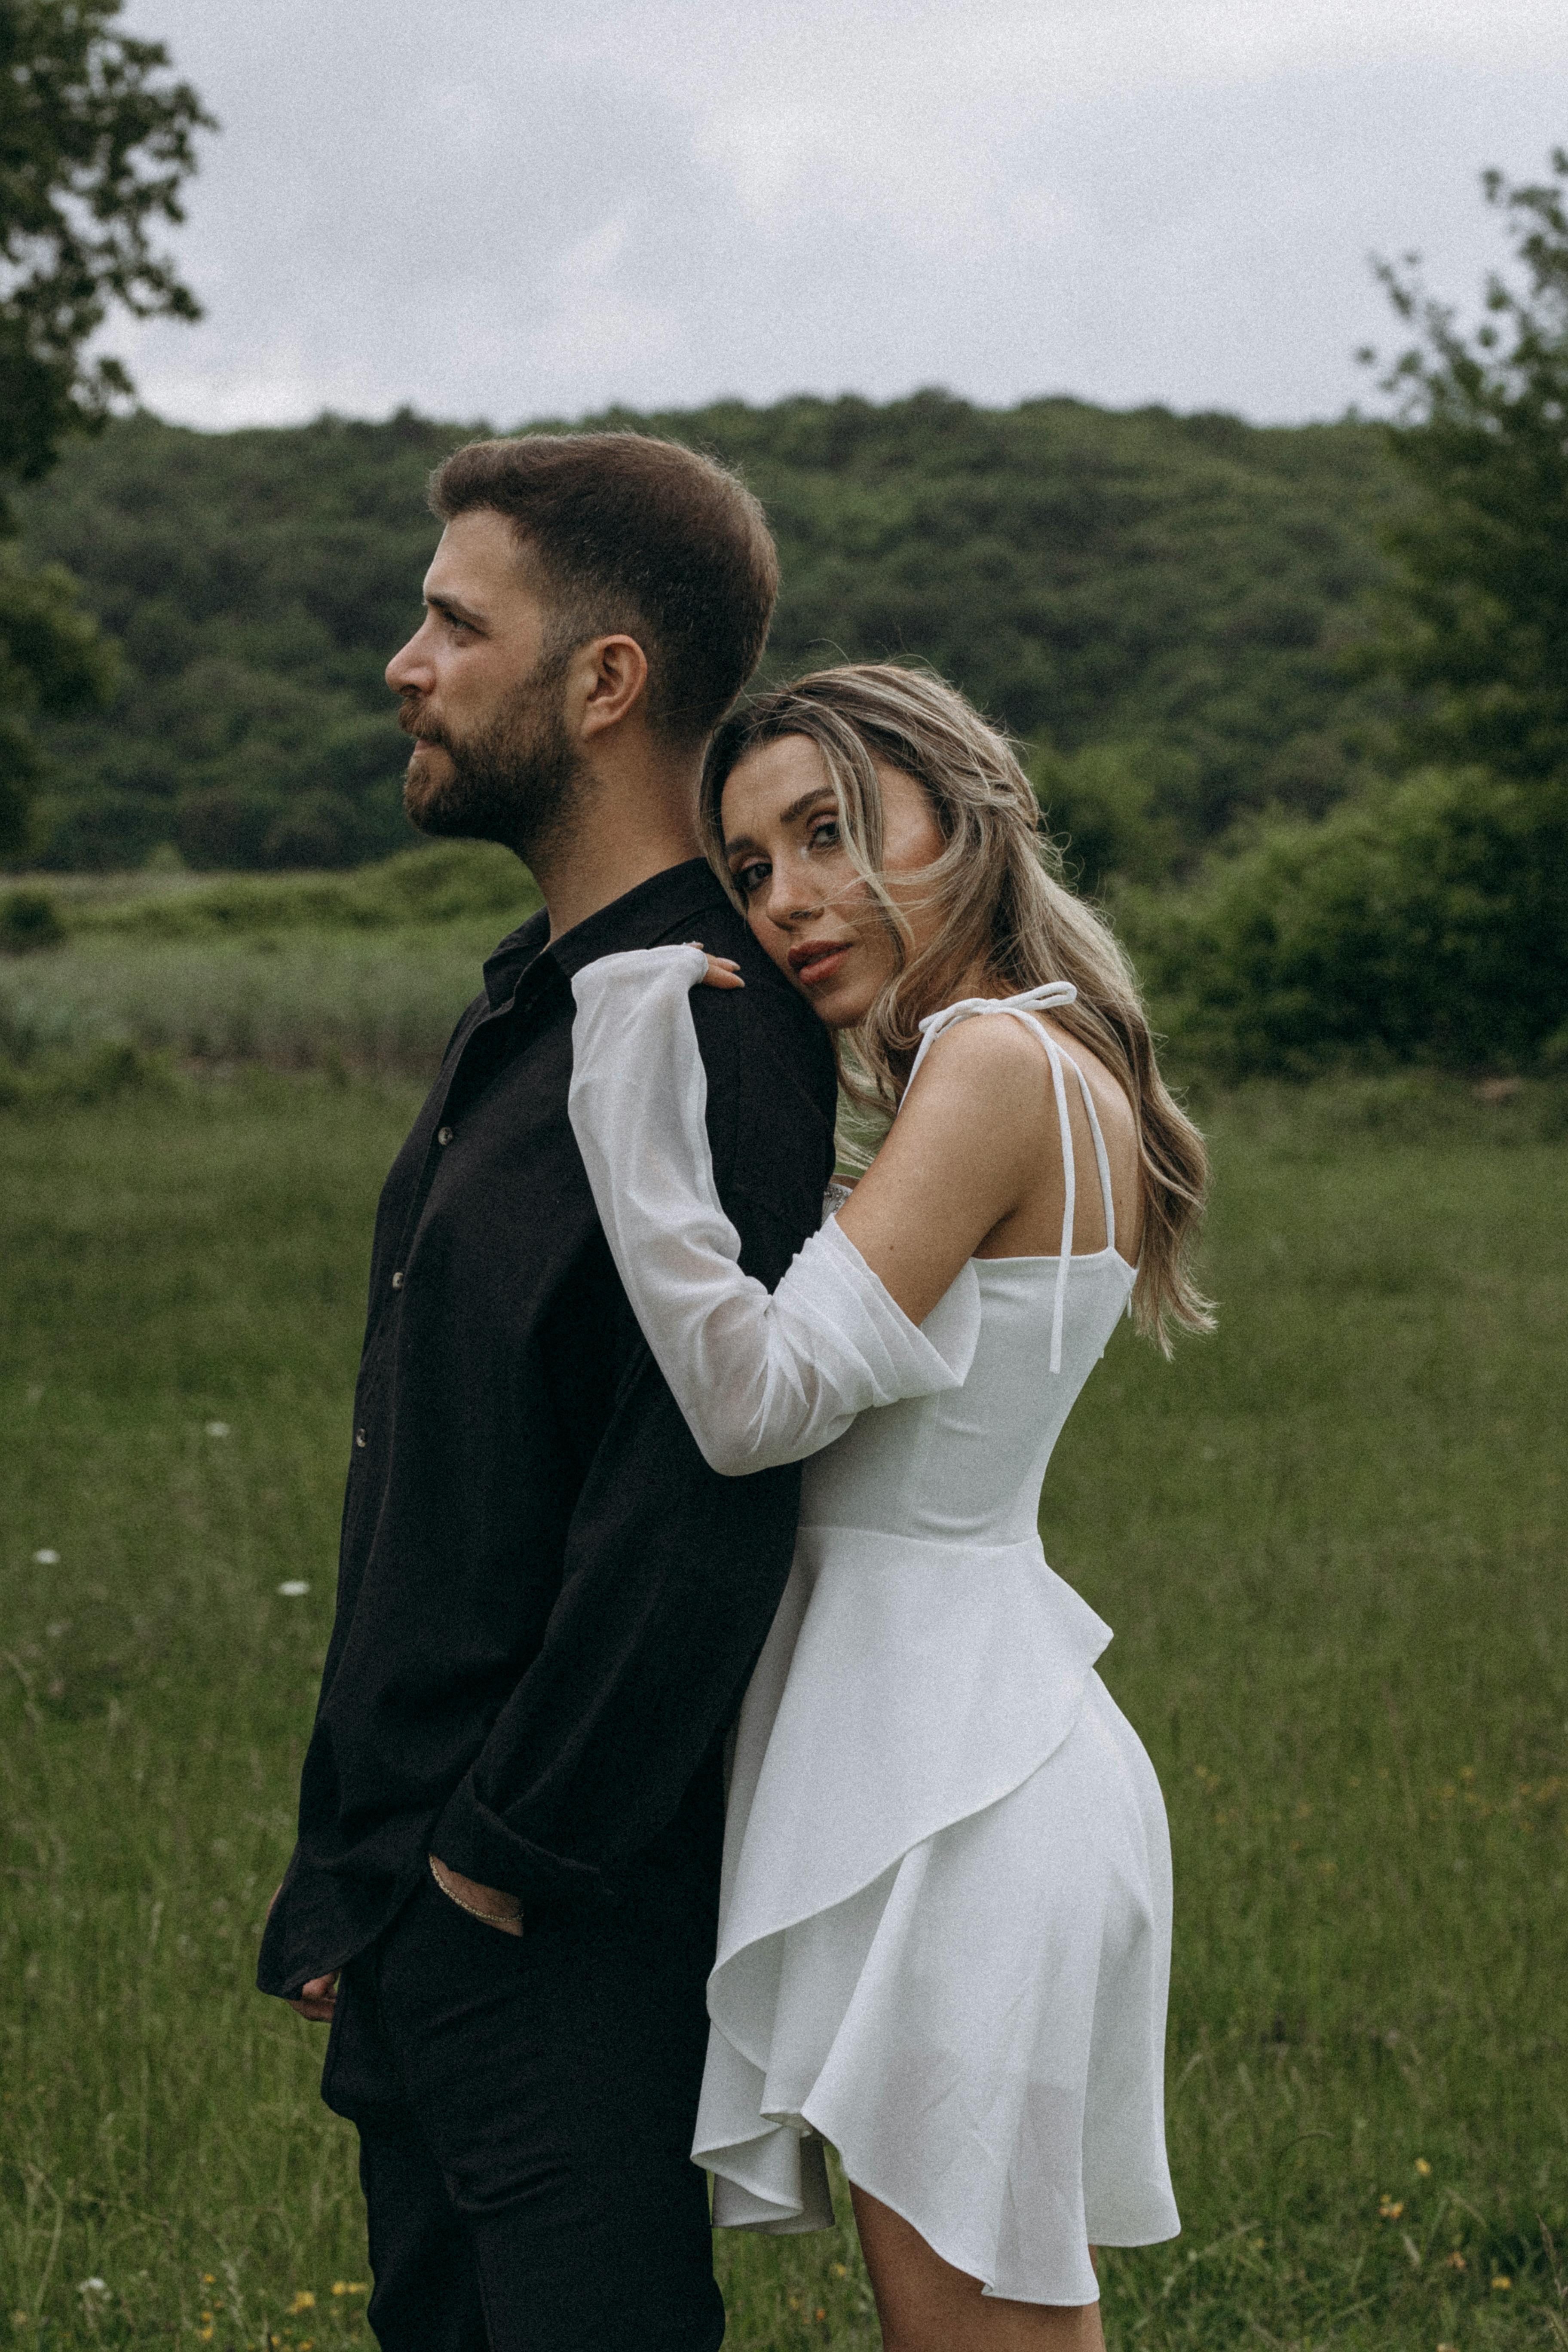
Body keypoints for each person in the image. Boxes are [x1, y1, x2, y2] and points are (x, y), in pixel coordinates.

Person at [256, 432, 840, 2352]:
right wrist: (364, 1882)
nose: (404, 663)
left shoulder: (711, 1023)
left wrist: (503, 1863)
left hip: (558, 1927)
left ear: (605, 684)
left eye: (453, 621)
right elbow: (448, 1476)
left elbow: (702, 1496)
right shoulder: (540, 999)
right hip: (416, 1920)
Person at [564, 663, 1213, 2352]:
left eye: (832, 832)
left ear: (964, 811)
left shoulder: (996, 1064)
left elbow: (753, 1402)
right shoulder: (1047, 1059)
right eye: (757, 864)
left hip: (956, 1786)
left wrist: (621, 1068)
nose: (790, 901)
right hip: (955, 1742)